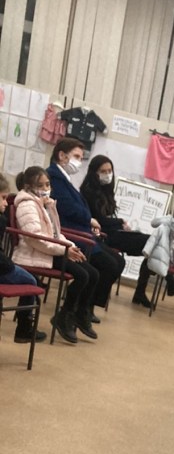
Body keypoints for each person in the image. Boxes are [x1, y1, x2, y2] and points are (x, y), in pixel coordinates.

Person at [12, 165, 101, 344]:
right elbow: (36, 239)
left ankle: (78, 314)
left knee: (93, 273)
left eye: (48, 184)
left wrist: (70, 247)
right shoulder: (27, 205)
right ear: (29, 187)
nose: (46, 189)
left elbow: (55, 233)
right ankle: (65, 315)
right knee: (82, 275)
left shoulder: (44, 204)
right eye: (41, 185)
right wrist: (64, 250)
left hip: (50, 251)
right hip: (35, 253)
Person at [47, 137, 125, 317]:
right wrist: (89, 219)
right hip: (72, 234)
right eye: (76, 157)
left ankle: (88, 306)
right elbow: (68, 208)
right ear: (62, 155)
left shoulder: (64, 179)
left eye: (81, 158)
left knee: (118, 262)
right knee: (108, 265)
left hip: (83, 232)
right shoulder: (54, 177)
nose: (79, 162)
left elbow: (80, 207)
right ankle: (83, 308)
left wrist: (89, 222)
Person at [79, 155, 156, 308]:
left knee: (153, 243)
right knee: (150, 243)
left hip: (113, 232)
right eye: (103, 171)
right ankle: (93, 300)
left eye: (110, 171)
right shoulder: (88, 192)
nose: (108, 174)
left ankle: (140, 291)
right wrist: (120, 222)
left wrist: (119, 224)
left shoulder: (106, 190)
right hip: (103, 235)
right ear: (94, 173)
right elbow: (99, 220)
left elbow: (108, 218)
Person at [0, 170, 47, 345]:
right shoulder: (1, 219)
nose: (6, 203)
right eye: (3, 198)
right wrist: (9, 264)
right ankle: (23, 329)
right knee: (32, 282)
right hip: (5, 266)